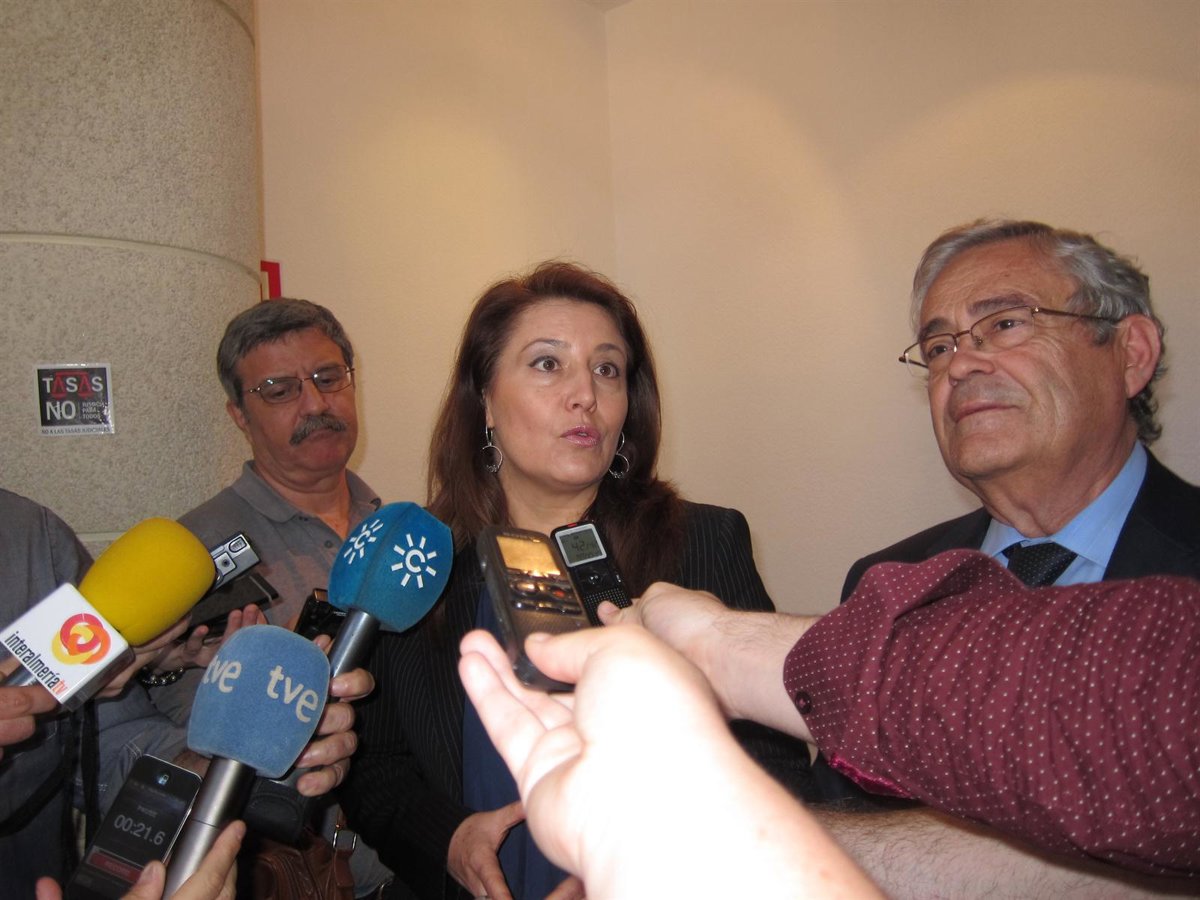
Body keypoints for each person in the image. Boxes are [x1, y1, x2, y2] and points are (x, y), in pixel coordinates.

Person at [342, 261, 812, 900]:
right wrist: (448, 840)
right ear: (485, 401)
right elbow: (375, 767)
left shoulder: (703, 542)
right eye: (547, 364)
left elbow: (774, 762)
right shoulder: (419, 564)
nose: (585, 394)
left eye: (607, 369)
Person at [457, 550, 1200, 898]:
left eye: (1005, 320)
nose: (961, 360)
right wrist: (703, 834)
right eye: (937, 344)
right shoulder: (889, 568)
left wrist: (719, 648)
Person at [143, 298, 390, 895]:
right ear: (239, 414)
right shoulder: (192, 557)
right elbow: (175, 744)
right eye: (279, 390)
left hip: (414, 860)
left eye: (328, 377)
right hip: (294, 871)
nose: (316, 404)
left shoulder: (397, 530)